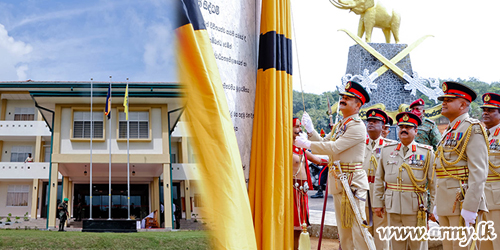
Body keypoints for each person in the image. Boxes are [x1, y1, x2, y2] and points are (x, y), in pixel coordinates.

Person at [296, 80, 374, 250]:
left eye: (348, 97)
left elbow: (335, 147)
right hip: (340, 182)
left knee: (358, 230)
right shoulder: (340, 125)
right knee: (344, 232)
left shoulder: (357, 126)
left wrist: (307, 144)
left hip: (352, 184)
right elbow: (325, 143)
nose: (343, 99)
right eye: (343, 96)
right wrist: (310, 131)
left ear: (358, 104)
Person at [433, 81, 488, 250]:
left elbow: (479, 172)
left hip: (461, 201)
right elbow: (441, 169)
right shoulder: (449, 131)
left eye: (449, 100)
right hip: (445, 203)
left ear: (463, 104)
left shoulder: (472, 128)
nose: (444, 103)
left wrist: (471, 207)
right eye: (443, 100)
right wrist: (436, 203)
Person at [373, 112, 436, 249]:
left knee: (417, 245)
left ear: (416, 130)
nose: (404, 130)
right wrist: (378, 202)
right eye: (401, 126)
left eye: (408, 127)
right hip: (393, 205)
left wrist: (432, 208)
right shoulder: (386, 151)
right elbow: (379, 179)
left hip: (416, 207)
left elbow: (433, 183)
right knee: (396, 244)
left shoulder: (426, 152)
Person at [363, 108, 395, 250]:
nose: (370, 124)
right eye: (369, 121)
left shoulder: (390, 146)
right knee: (363, 229)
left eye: (375, 122)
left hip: (381, 192)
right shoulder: (359, 144)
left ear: (383, 126)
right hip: (362, 191)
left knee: (381, 232)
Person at [292, 117, 322, 249]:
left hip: (301, 191)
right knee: (293, 227)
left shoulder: (301, 148)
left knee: (300, 227)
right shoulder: (285, 147)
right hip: (291, 189)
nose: (300, 130)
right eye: (297, 127)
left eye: (300, 127)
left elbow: (318, 160)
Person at [480, 92, 500, 249]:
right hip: (481, 198)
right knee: (485, 244)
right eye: (484, 110)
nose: (485, 113)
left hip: (497, 198)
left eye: (490, 110)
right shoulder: (480, 135)